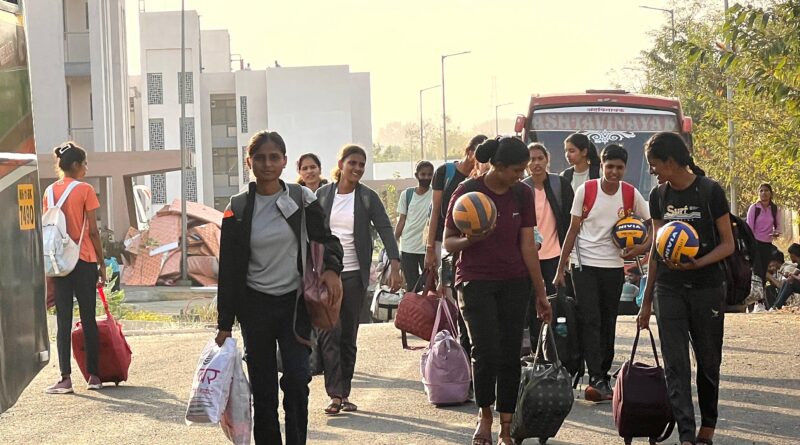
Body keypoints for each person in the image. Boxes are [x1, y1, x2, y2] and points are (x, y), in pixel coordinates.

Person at [215, 130, 344, 445]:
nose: (267, 164)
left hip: (294, 304)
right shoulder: (238, 207)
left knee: (298, 381)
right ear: (250, 162)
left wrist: (331, 269)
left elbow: (326, 238)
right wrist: (224, 323)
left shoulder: (302, 199)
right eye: (260, 158)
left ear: (285, 161)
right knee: (263, 388)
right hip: (254, 306)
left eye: (274, 157)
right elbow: (229, 267)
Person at [444, 136, 552, 445]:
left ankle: (507, 423)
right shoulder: (467, 192)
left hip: (514, 282)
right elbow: (449, 241)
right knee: (486, 351)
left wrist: (541, 293)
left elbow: (528, 246)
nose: (521, 175)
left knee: (510, 354)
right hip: (475, 281)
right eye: (517, 170)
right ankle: (485, 415)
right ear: (499, 166)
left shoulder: (522, 194)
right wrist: (471, 241)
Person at [638, 132, 735, 445]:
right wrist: (646, 300)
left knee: (708, 361)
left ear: (670, 161)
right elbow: (655, 249)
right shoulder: (658, 197)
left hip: (707, 287)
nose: (652, 170)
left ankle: (708, 423)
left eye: (654, 165)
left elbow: (728, 245)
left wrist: (700, 261)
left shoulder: (710, 192)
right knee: (675, 363)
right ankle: (687, 435)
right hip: (669, 289)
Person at [554, 144, 651, 402]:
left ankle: (603, 375)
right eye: (610, 166)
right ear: (601, 165)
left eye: (619, 167)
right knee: (591, 319)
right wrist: (561, 268)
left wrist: (641, 248)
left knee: (609, 320)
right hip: (584, 265)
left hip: (613, 267)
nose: (614, 172)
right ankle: (594, 376)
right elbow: (572, 231)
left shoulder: (630, 194)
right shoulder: (586, 190)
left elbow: (654, 223)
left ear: (625, 168)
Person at [316, 144, 402, 415]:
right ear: (341, 164)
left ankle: (344, 392)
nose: (357, 169)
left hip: (354, 276)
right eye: (352, 163)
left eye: (361, 165)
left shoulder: (367, 197)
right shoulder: (322, 195)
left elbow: (385, 228)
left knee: (348, 337)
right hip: (326, 275)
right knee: (329, 333)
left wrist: (396, 264)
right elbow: (311, 231)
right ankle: (334, 394)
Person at [44, 142, 107, 395]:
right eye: (84, 164)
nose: (86, 168)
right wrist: (102, 263)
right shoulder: (85, 189)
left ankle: (65, 378)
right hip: (83, 260)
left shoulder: (48, 191)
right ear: (75, 165)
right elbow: (92, 230)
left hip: (59, 263)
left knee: (63, 321)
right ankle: (93, 375)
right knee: (88, 318)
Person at [424, 134, 487, 361]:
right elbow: (436, 211)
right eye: (478, 154)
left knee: (464, 303)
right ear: (469, 151)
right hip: (446, 240)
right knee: (449, 296)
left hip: (473, 245)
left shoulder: (484, 180)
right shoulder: (446, 173)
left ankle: (463, 351)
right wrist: (430, 247)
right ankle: (456, 350)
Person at [522, 143, 574, 343]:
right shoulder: (521, 188)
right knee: (532, 305)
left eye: (539, 158)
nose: (535, 163)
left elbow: (571, 221)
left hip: (555, 256)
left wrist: (568, 255)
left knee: (558, 303)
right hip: (529, 257)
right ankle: (537, 348)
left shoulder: (560, 184)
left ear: (547, 160)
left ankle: (559, 347)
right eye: (531, 159)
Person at [394, 160, 434, 291]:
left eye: (429, 175)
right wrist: (393, 243)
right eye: (423, 174)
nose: (426, 178)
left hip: (426, 249)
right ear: (417, 175)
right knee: (412, 286)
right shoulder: (407, 194)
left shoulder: (435, 195)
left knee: (430, 286)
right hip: (408, 247)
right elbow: (402, 221)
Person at [746, 183, 781, 310]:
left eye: (766, 190)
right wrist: (750, 245)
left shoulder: (774, 208)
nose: (763, 193)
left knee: (764, 271)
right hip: (755, 243)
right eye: (761, 191)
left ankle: (760, 303)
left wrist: (776, 233)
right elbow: (749, 228)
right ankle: (757, 303)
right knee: (757, 272)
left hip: (767, 243)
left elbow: (778, 226)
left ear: (771, 193)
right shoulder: (754, 208)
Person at [770, 243, 800, 310]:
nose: (790, 256)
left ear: (794, 254)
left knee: (790, 283)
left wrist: (792, 276)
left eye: (790, 254)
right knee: (787, 281)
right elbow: (793, 274)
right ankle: (775, 306)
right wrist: (788, 275)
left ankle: (776, 306)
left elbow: (795, 277)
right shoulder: (799, 264)